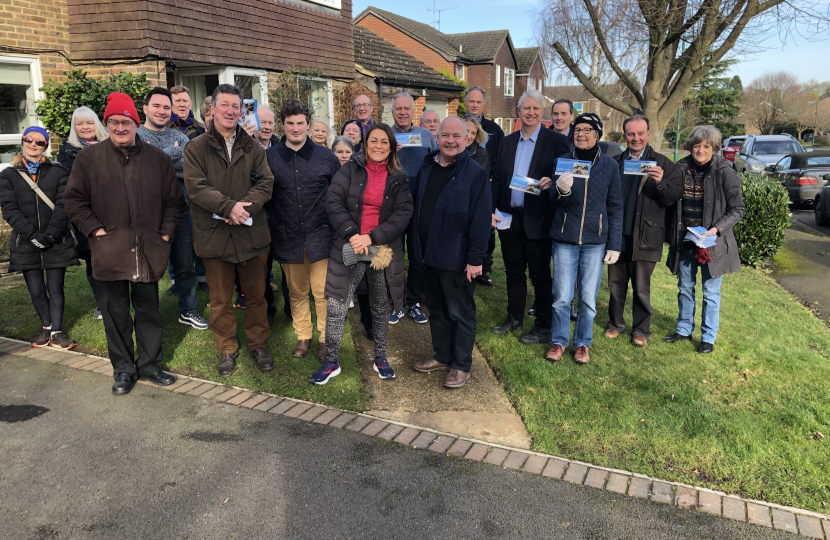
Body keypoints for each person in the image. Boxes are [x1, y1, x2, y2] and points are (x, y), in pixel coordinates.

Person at [65, 92, 186, 395]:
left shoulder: (157, 160)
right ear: (107, 123)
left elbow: (174, 202)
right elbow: (74, 201)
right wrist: (94, 230)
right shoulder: (89, 159)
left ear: (135, 122)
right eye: (114, 122)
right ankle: (123, 369)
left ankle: (149, 365)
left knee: (148, 310)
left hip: (148, 249)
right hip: (108, 250)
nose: (120, 127)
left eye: (126, 121)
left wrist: (166, 234)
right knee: (115, 312)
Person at [183, 84, 275, 377]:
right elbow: (196, 188)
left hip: (251, 233)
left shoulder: (253, 146)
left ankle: (258, 345)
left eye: (236, 106)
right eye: (225, 105)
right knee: (220, 299)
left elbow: (266, 182)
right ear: (212, 109)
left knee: (256, 296)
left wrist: (245, 209)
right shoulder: (195, 147)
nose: (230, 111)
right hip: (215, 236)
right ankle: (227, 349)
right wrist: (228, 207)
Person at [312, 123, 413, 384]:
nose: (378, 147)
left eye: (384, 142)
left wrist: (371, 237)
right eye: (373, 141)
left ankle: (381, 356)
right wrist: (352, 233)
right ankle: (331, 361)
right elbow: (333, 201)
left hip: (380, 249)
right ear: (365, 144)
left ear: (391, 147)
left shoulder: (399, 177)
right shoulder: (349, 169)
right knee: (337, 305)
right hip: (350, 244)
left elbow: (403, 215)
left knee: (379, 306)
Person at [411, 117, 491, 388]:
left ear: (467, 138)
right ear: (438, 137)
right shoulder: (427, 167)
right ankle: (442, 356)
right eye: (445, 135)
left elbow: (480, 221)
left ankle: (460, 365)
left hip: (457, 260)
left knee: (460, 313)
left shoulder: (476, 174)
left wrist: (475, 259)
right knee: (437, 311)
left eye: (457, 135)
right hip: (428, 256)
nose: (450, 141)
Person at [491, 90, 569, 345]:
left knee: (540, 275)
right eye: (526, 108)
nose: (531, 112)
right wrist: (493, 210)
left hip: (538, 219)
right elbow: (498, 179)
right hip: (508, 218)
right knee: (513, 272)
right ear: (518, 110)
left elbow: (567, 178)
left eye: (536, 108)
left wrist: (554, 181)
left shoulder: (556, 142)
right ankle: (514, 317)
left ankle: (544, 325)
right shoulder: (506, 142)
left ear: (542, 112)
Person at [267, 99, 340, 360]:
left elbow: (339, 195)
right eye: (290, 124)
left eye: (300, 123)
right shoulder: (270, 158)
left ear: (308, 125)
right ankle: (303, 336)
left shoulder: (327, 157)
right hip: (287, 236)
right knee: (296, 291)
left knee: (322, 291)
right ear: (283, 125)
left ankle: (324, 337)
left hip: (321, 234)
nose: (295, 128)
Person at [546, 113, 622, 365]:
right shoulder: (563, 161)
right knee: (561, 297)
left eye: (587, 129)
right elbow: (553, 202)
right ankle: (558, 340)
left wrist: (614, 244)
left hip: (595, 241)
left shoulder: (610, 166)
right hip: (565, 239)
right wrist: (561, 190)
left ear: (598, 134)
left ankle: (582, 344)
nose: (581, 133)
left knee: (588, 299)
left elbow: (615, 206)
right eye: (577, 129)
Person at [664, 125, 744, 354]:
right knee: (685, 287)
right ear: (690, 147)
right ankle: (683, 329)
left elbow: (737, 209)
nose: (700, 150)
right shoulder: (679, 168)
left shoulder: (725, 171)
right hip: (686, 239)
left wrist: (716, 230)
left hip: (712, 244)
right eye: (697, 145)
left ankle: (708, 337)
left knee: (710, 292)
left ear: (715, 148)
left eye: (706, 146)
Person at [606, 115, 682, 346]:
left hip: (647, 235)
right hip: (618, 234)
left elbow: (674, 196)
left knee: (641, 287)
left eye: (640, 134)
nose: (635, 138)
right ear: (624, 135)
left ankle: (641, 330)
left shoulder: (664, 164)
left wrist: (661, 183)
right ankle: (615, 324)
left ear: (648, 134)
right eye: (631, 134)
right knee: (615, 284)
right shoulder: (616, 161)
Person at [0, 127, 79, 350]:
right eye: (29, 140)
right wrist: (32, 235)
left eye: (39, 142)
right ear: (23, 142)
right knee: (35, 289)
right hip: (25, 242)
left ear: (46, 146)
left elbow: (64, 205)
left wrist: (52, 233)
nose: (33, 145)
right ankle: (46, 327)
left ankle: (57, 332)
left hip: (57, 241)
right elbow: (9, 208)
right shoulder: (8, 175)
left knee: (55, 288)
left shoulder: (59, 172)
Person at [137, 87, 209, 331]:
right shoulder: (135, 137)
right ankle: (148, 314)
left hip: (182, 212)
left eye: (166, 107)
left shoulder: (181, 136)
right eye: (156, 106)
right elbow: (142, 172)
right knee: (148, 266)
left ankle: (188, 310)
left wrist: (159, 161)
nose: (162, 111)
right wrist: (172, 155)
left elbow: (191, 171)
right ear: (145, 109)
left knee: (184, 264)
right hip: (147, 214)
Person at [390, 92, 437, 326]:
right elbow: (366, 162)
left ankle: (414, 301)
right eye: (398, 108)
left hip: (420, 205)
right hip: (392, 205)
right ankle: (397, 303)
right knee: (394, 257)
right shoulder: (384, 135)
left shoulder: (427, 136)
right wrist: (389, 151)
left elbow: (440, 164)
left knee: (418, 257)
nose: (402, 112)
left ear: (413, 111)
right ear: (392, 111)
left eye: (406, 108)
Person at [56, 106, 108, 319]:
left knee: (113, 256)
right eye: (79, 124)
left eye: (88, 122)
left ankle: (117, 297)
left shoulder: (110, 145)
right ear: (74, 127)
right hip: (86, 214)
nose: (85, 127)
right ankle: (102, 302)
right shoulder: (67, 151)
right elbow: (69, 186)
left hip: (112, 211)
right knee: (93, 258)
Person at [464, 86, 503, 176]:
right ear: (466, 102)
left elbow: (501, 157)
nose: (475, 105)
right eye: (471, 101)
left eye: (478, 102)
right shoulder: (456, 126)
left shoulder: (494, 129)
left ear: (483, 104)